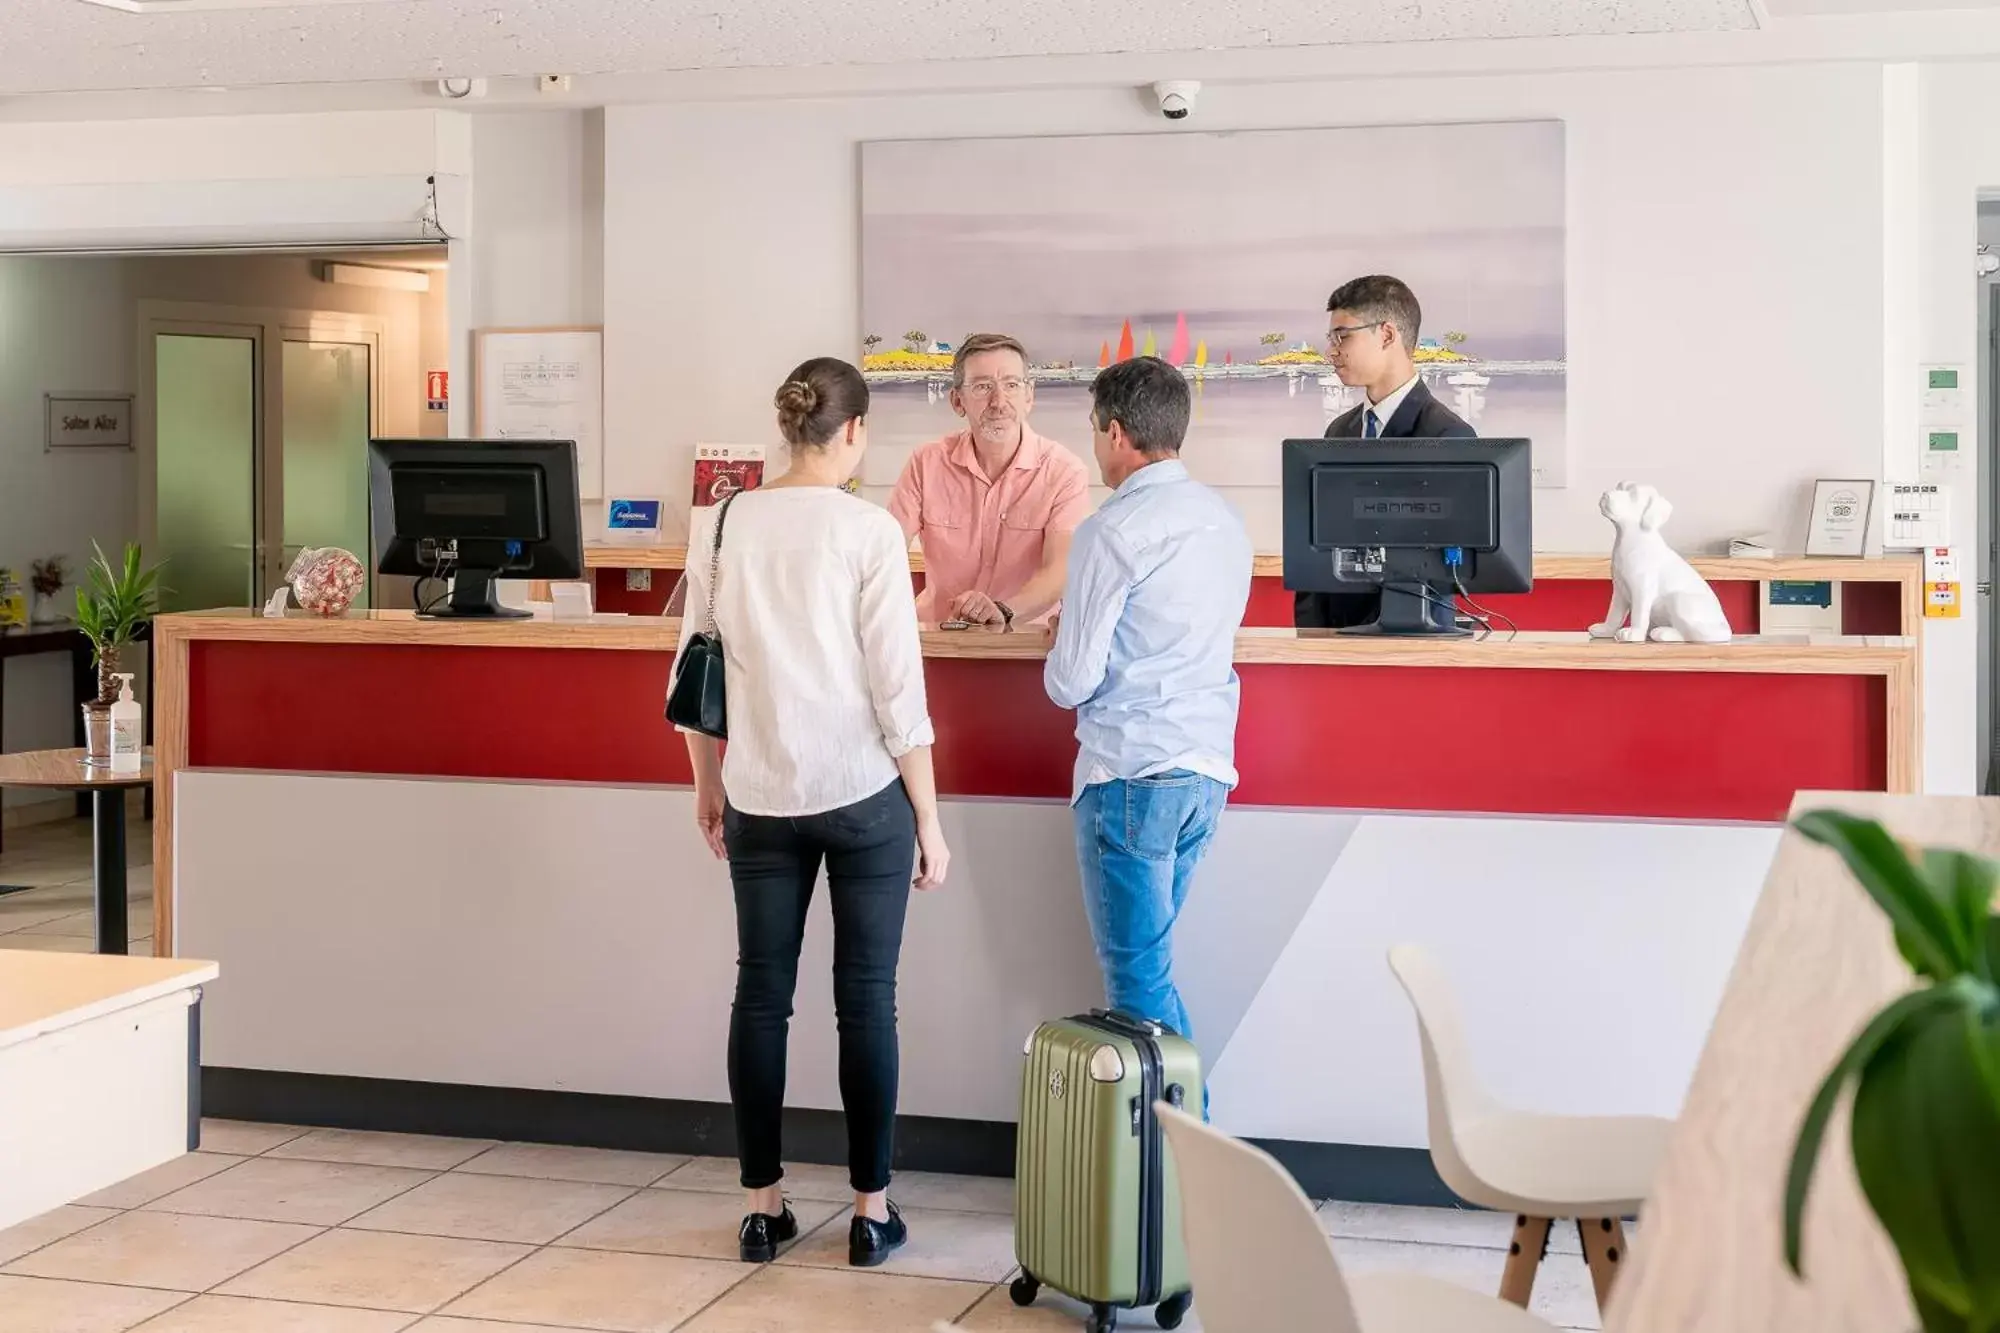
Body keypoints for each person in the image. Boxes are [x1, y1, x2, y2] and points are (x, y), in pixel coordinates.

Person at [671, 356, 952, 1270]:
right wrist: (930, 819)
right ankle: (871, 1212)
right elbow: (897, 694)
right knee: (867, 1001)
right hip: (865, 797)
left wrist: (707, 785)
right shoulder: (869, 531)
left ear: (789, 427)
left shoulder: (720, 523)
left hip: (758, 792)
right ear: (856, 432)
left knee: (762, 996)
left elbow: (691, 678)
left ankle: (763, 1207)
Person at [1044, 356, 1252, 1048]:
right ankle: (1183, 1148)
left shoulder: (1111, 530)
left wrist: (1072, 628)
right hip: (1204, 772)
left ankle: (1188, 1149)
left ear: (1115, 432)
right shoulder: (1224, 521)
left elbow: (1068, 682)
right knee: (1148, 975)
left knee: (1138, 989)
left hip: (1130, 775)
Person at [1296, 274, 1477, 631]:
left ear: (1387, 335)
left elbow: (1446, 569)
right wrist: (1311, 631)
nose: (1332, 350)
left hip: (1410, 643)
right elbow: (1317, 547)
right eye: (1331, 338)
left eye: (1343, 336)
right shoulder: (1339, 432)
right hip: (1333, 638)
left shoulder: (1446, 436)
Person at [888, 332, 1092, 628]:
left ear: (1029, 396)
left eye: (1011, 385)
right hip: (939, 642)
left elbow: (1060, 570)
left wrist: (1004, 610)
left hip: (1026, 647)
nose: (999, 401)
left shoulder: (1065, 471)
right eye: (983, 387)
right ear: (958, 402)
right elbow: (884, 553)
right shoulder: (925, 463)